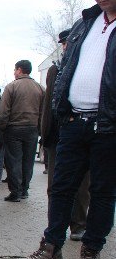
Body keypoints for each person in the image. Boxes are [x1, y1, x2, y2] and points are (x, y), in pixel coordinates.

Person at [16, 0, 115, 259]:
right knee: (60, 188)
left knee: (103, 192)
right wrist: (63, 110)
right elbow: (65, 68)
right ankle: (51, 248)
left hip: (108, 127)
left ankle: (91, 250)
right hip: (74, 122)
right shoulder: (85, 24)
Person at [40, 29, 90, 242]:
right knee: (56, 185)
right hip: (56, 135)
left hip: (82, 131)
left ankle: (79, 224)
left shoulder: (86, 65)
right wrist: (44, 133)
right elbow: (48, 104)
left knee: (82, 184)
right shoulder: (55, 70)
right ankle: (55, 229)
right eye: (64, 44)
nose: (65, 47)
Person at [0, 60, 44, 202]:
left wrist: (2, 126)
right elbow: (44, 111)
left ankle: (15, 192)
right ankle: (25, 190)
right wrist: (40, 128)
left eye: (14, 69)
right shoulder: (40, 88)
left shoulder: (12, 86)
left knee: (13, 161)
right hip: (32, 129)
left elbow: (4, 110)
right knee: (28, 160)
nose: (14, 72)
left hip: (14, 128)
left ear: (19, 70)